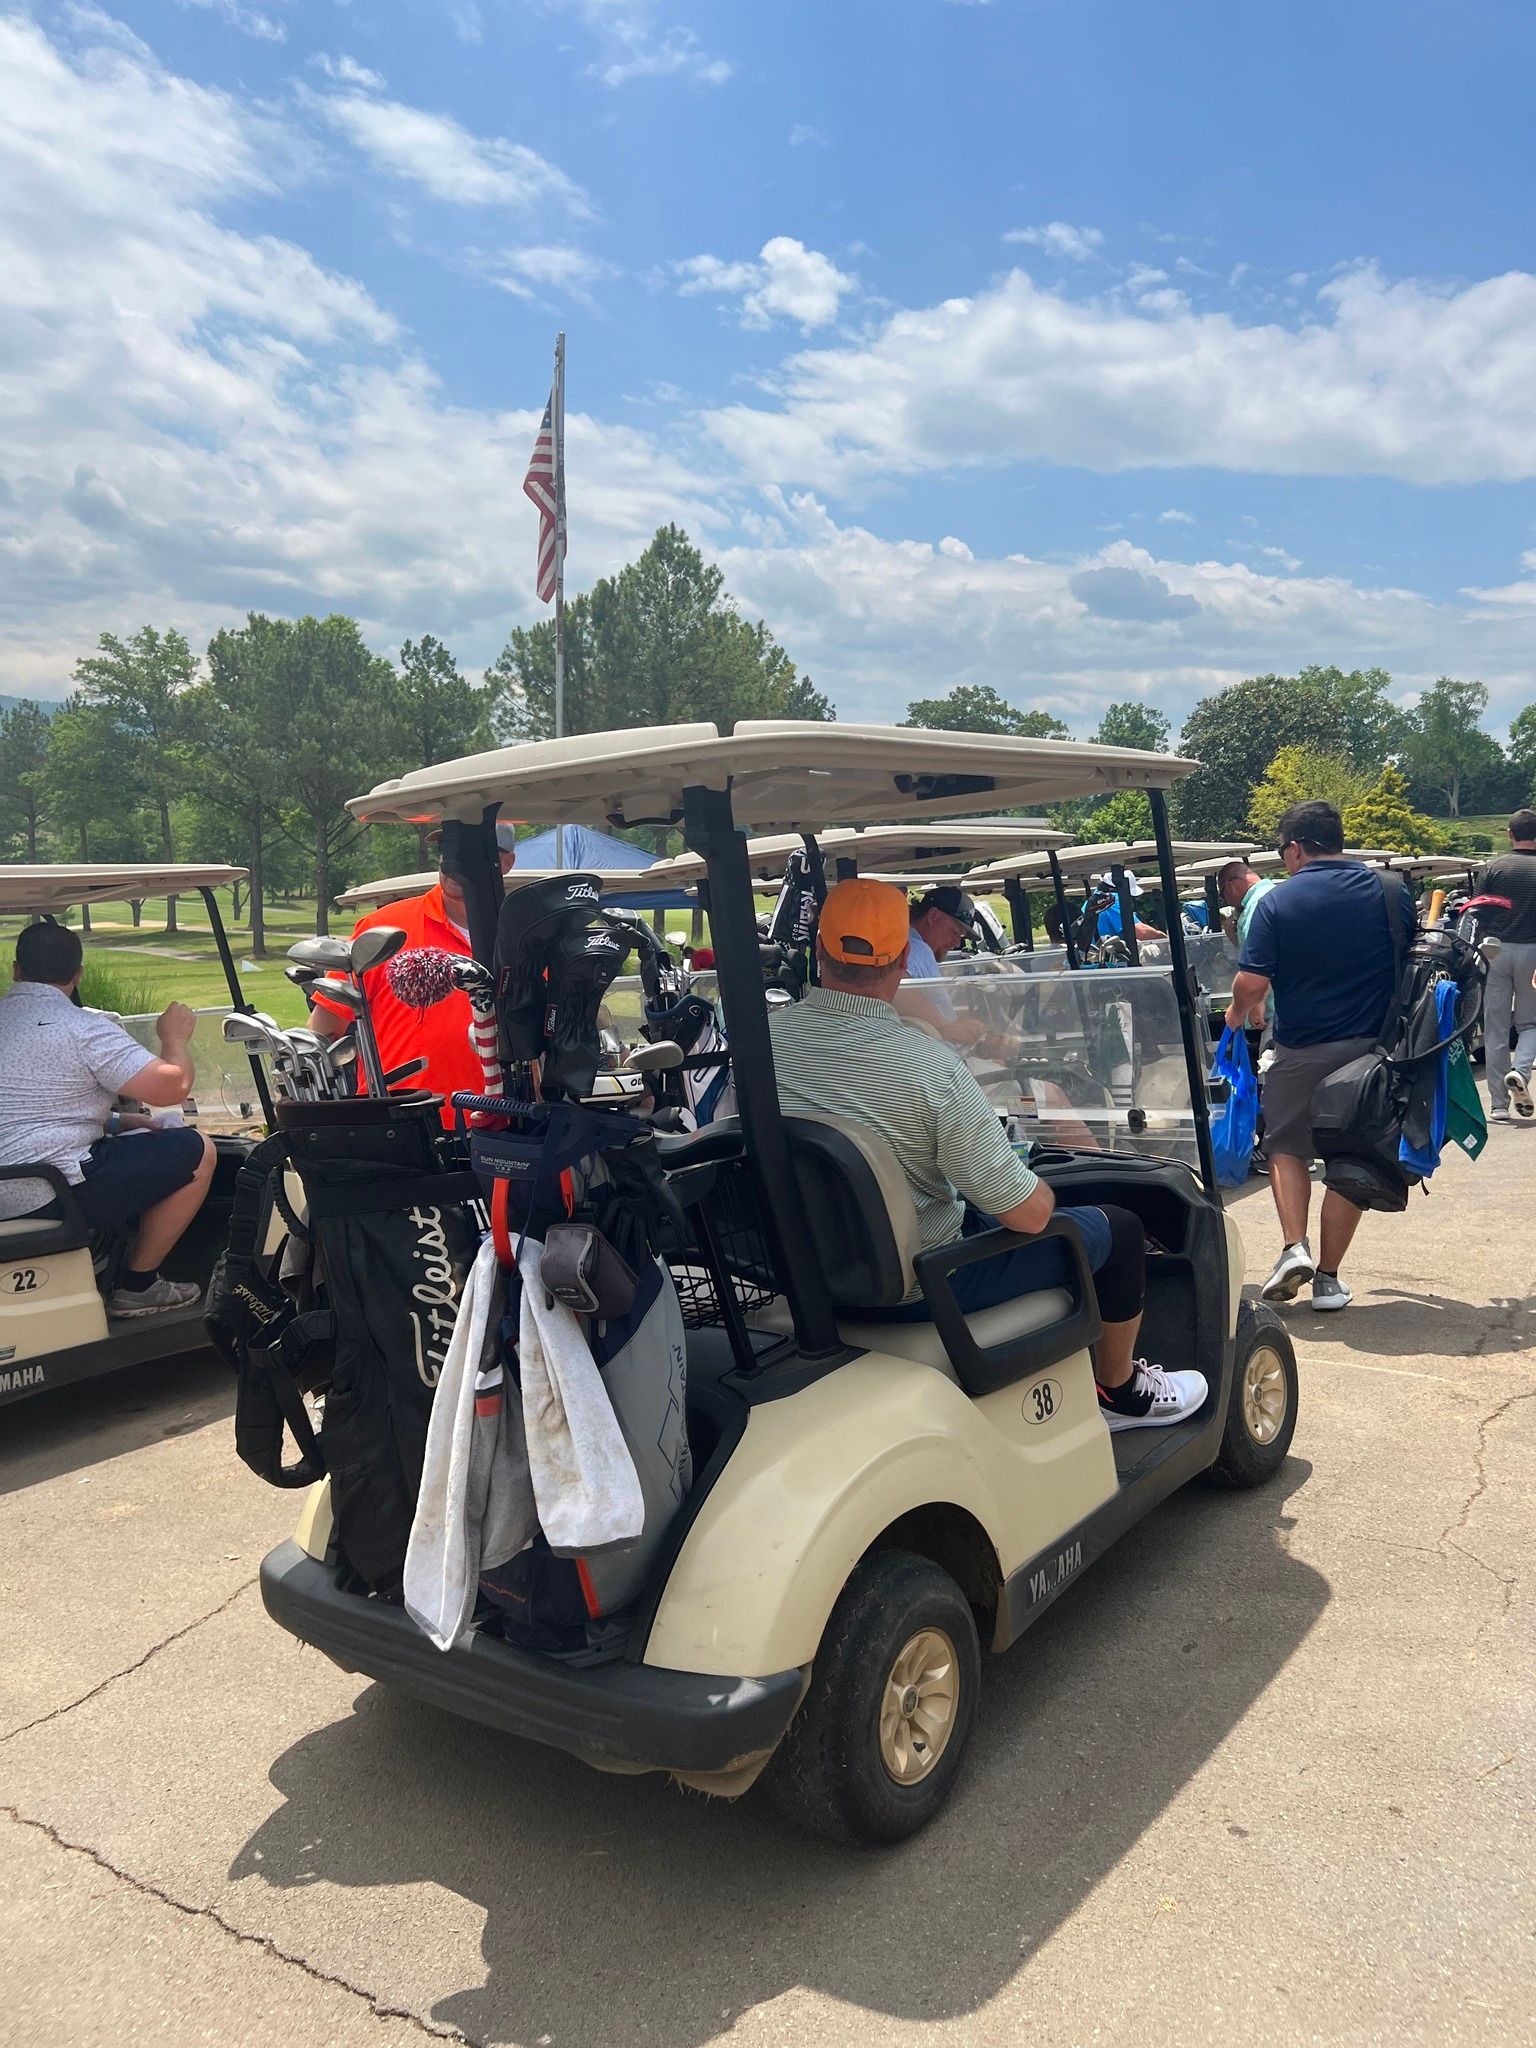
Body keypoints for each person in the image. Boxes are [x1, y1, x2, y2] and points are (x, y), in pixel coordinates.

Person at [771, 879, 1207, 1431]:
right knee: (1118, 1230)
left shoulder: (764, 1041)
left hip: (802, 1268)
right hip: (919, 1284)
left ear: (819, 947)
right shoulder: (929, 1066)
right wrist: (1029, 1180)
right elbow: (1027, 1215)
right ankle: (1118, 1393)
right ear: (904, 958)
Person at [1225, 801, 1415, 1313]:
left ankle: (1295, 1247)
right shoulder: (1390, 890)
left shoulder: (1278, 902)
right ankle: (1329, 1280)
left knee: (1286, 1145)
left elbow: (1252, 982)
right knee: (1351, 1158)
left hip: (1300, 1050)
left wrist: (1236, 1014)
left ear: (1294, 849)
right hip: (1373, 1054)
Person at [0, 923, 214, 1315]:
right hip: (46, 1192)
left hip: (8, 1184)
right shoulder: (83, 1029)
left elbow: (25, 1109)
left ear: (17, 970)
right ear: (78, 974)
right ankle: (138, 1286)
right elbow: (173, 1086)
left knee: (118, 1149)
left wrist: (115, 1123)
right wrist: (174, 1039)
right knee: (198, 1149)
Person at [309, 824, 517, 1125]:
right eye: (447, 852)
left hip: (504, 1124)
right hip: (401, 1126)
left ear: (506, 862)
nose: (453, 864)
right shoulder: (384, 927)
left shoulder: (522, 933)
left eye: (469, 852)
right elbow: (324, 1030)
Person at [1476, 808, 1536, 1123]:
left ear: (1510, 834)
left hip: (1495, 951)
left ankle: (1498, 1104)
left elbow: (1476, 911)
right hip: (1533, 953)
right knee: (1531, 1024)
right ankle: (1521, 1071)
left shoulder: (1493, 868)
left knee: (1496, 1028)